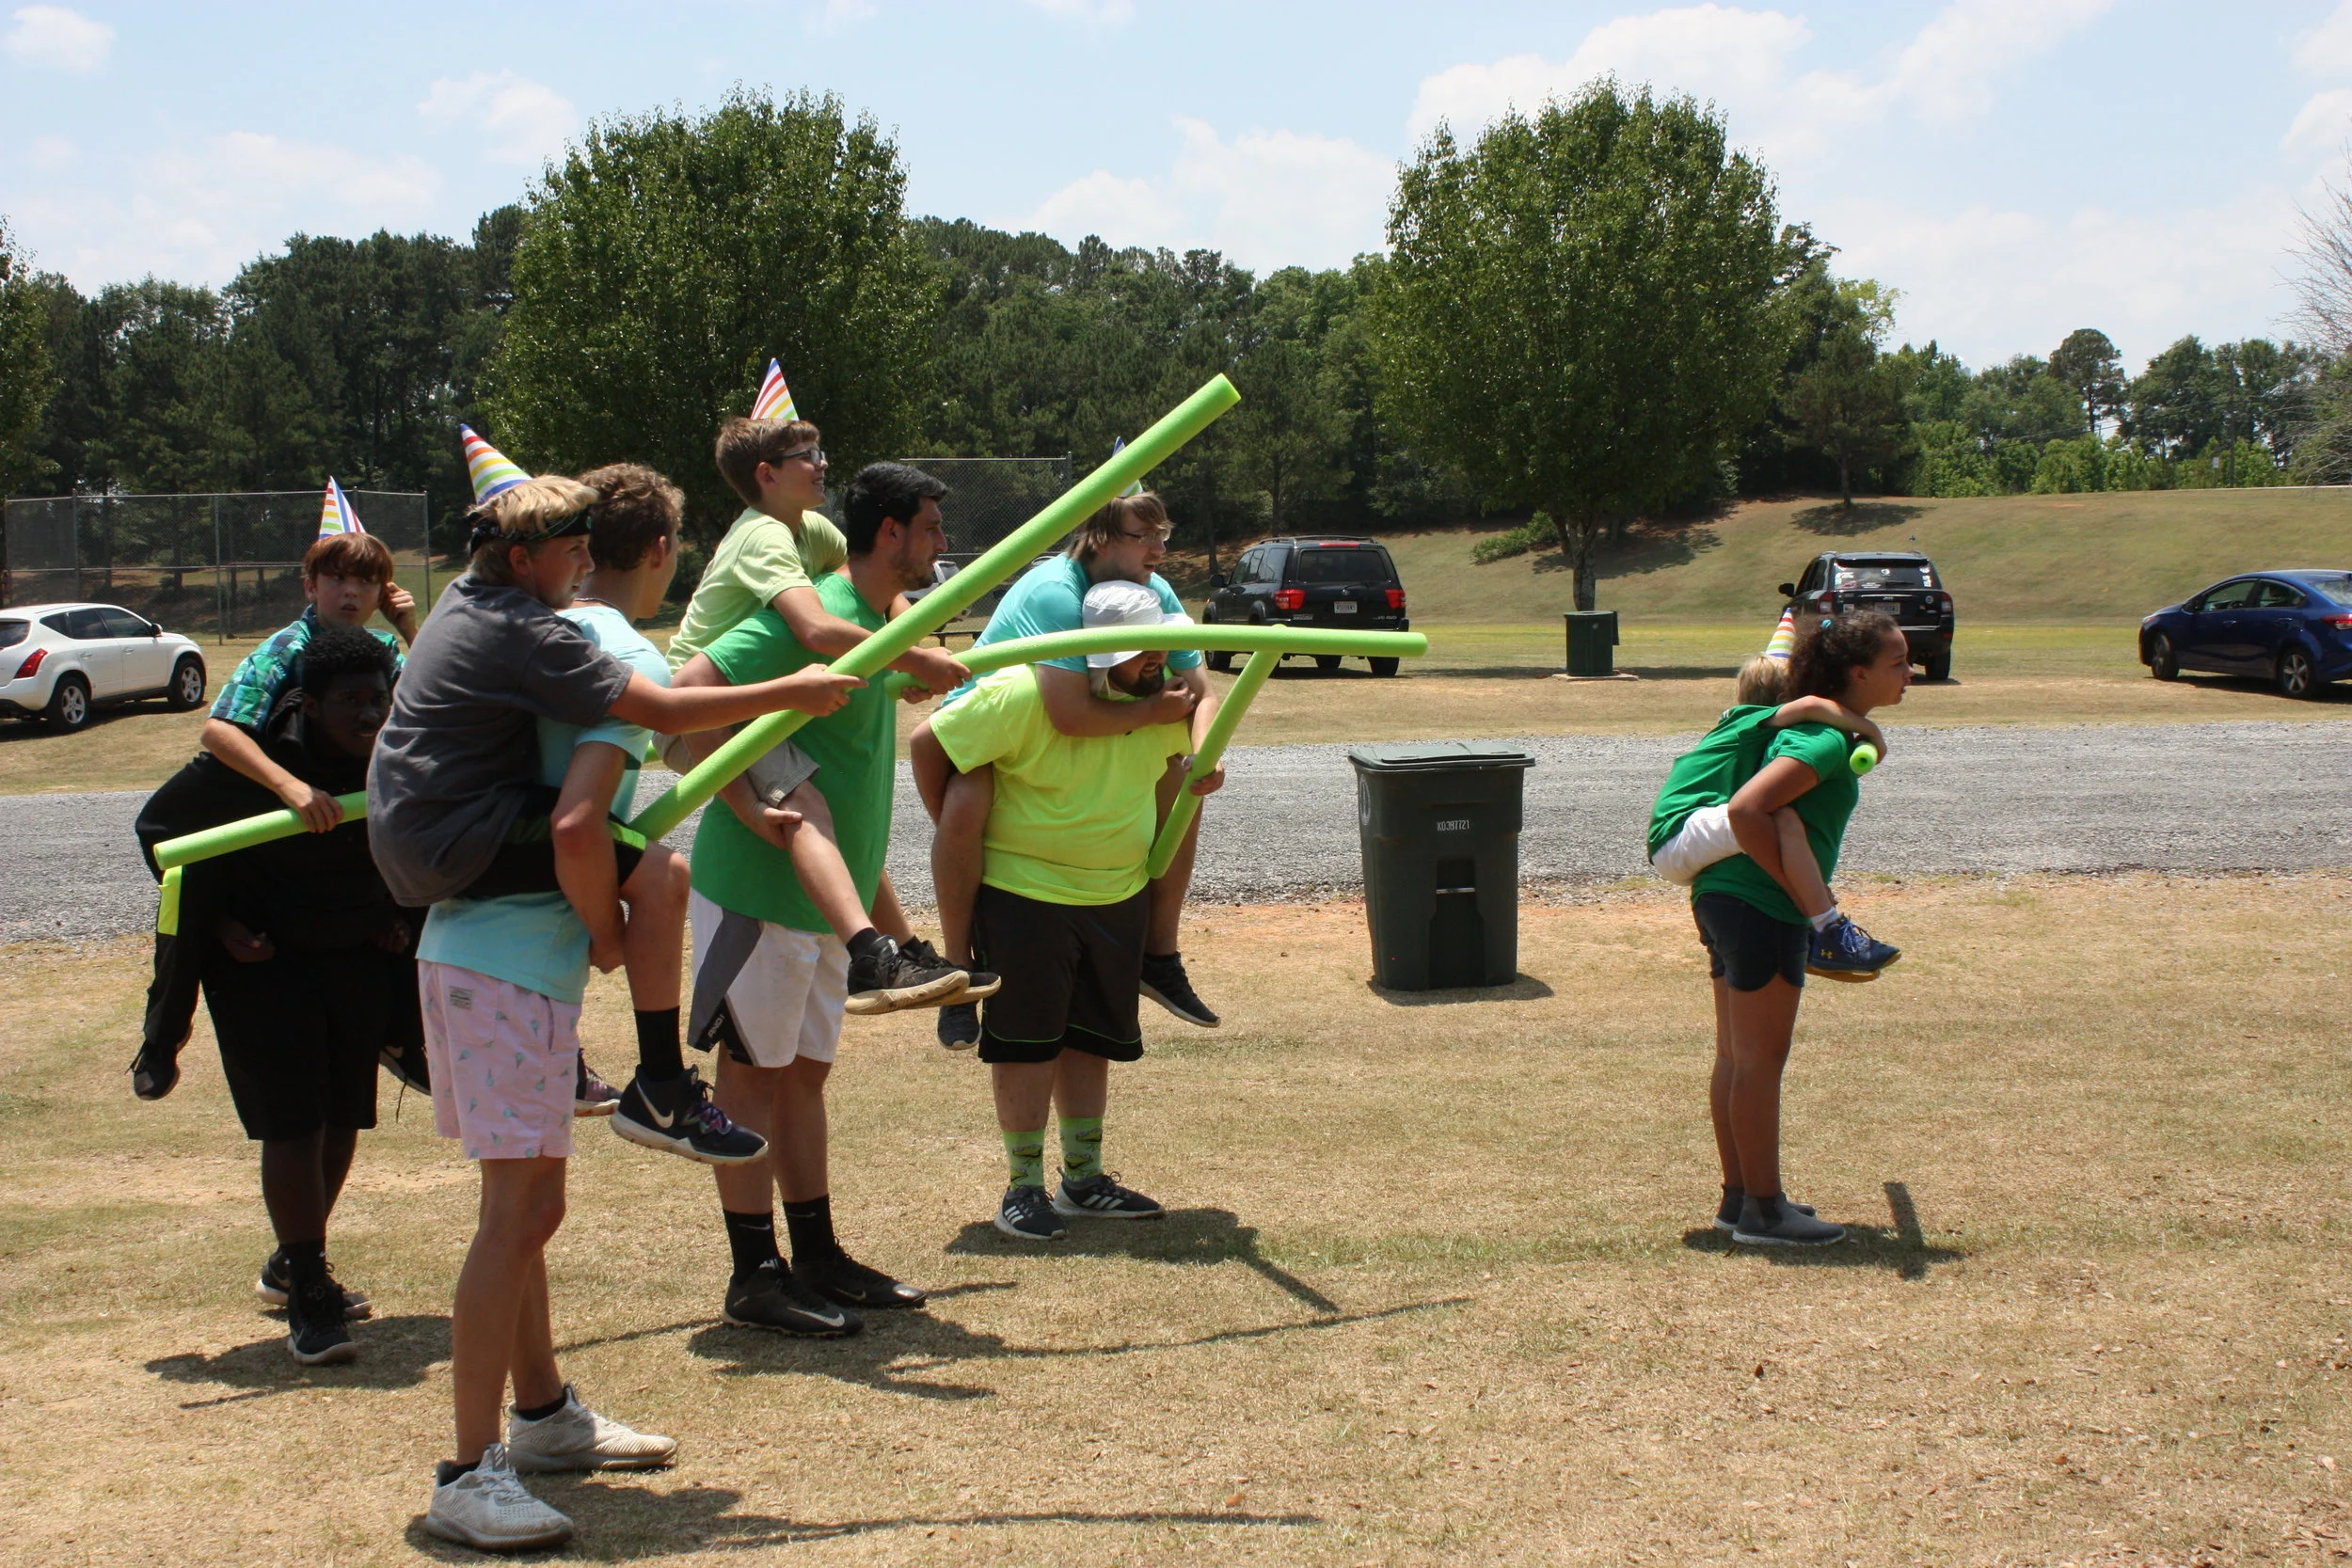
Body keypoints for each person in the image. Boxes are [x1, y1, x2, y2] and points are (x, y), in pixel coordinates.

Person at [370, 464, 862, 1552]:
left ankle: (541, 1417)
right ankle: (464, 1471)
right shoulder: (542, 637)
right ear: (521, 557)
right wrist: (786, 692)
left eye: (592, 545)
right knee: (511, 1218)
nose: (584, 563)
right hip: (496, 961)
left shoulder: (484, 603)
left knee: (531, 1210)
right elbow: (621, 759)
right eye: (568, 549)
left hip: (491, 954)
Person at [670, 462, 961, 1334]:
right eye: (932, 528)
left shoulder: (872, 620)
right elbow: (686, 700)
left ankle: (818, 1252)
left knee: (803, 1080)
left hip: (828, 910)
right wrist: (744, 802)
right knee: (751, 1083)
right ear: (889, 535)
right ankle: (754, 1272)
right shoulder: (812, 615)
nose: (943, 544)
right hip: (757, 896)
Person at [133, 624, 414, 1367]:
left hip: (351, 957)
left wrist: (394, 916)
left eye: (379, 698)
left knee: (343, 1119)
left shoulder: (393, 755)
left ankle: (297, 1259)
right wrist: (223, 925)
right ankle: (311, 1292)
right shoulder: (256, 766)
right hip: (262, 965)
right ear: (309, 706)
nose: (369, 714)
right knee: (294, 1124)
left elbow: (410, 845)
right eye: (350, 700)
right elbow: (159, 831)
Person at [910, 580, 1211, 1241]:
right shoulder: (1020, 694)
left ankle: (1084, 1177)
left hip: (1116, 892)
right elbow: (928, 744)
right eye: (1140, 654)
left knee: (1090, 1039)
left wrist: (1197, 773)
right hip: (1025, 895)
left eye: (1160, 649)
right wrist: (958, 835)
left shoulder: (1160, 705)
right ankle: (1022, 1187)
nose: (1156, 663)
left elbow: (1173, 772)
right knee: (1026, 1043)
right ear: (1099, 657)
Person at [668, 415, 970, 1012]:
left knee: (839, 831)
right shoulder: (762, 534)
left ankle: (901, 947)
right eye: (808, 454)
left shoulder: (806, 526)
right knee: (802, 808)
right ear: (767, 474)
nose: (823, 463)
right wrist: (913, 655)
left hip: (748, 691)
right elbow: (810, 625)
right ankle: (869, 952)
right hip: (695, 709)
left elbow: (873, 586)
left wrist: (899, 659)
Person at [929, 492, 1217, 1051]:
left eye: (1166, 533)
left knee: (1182, 782)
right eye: (1146, 536)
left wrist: (1203, 756)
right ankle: (955, 972)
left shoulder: (1153, 588)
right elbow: (1069, 714)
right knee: (967, 801)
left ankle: (1160, 957)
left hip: (1088, 708)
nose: (1160, 548)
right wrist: (1155, 712)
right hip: (992, 720)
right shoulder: (1056, 594)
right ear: (1103, 535)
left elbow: (1202, 692)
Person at [1686, 610, 1911, 1248]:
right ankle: (1763, 1210)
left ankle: (1739, 1198)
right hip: (1759, 905)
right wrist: (1803, 900)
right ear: (1856, 672)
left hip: (1726, 897)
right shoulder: (1822, 741)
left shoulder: (1821, 730)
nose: (1909, 674)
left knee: (1738, 1056)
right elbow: (1747, 808)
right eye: (1897, 662)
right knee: (1761, 1060)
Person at [1648, 654, 1900, 980]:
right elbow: (1811, 707)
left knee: (1774, 816)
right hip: (1678, 831)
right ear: (1783, 700)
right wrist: (1871, 731)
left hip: (1677, 841)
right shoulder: (1752, 718)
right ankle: (1828, 928)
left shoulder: (1744, 727)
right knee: (1783, 820)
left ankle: (1816, 921)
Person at [201, 529, 417, 835]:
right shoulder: (284, 651)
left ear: (384, 595)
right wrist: (290, 787)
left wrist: (409, 630)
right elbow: (218, 731)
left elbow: (433, 705)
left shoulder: (381, 649)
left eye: (366, 581)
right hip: (294, 813)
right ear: (310, 588)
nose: (352, 591)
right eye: (338, 578)